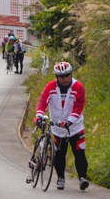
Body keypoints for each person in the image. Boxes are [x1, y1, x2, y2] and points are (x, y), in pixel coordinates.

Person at [34, 61, 89, 191]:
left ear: (71, 74)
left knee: (79, 152)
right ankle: (60, 178)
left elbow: (79, 107)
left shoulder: (78, 87)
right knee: (59, 154)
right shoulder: (50, 86)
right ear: (56, 76)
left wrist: (69, 121)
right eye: (61, 76)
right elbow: (43, 101)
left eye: (67, 75)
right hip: (57, 128)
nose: (65, 78)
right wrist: (39, 115)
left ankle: (82, 178)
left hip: (75, 127)